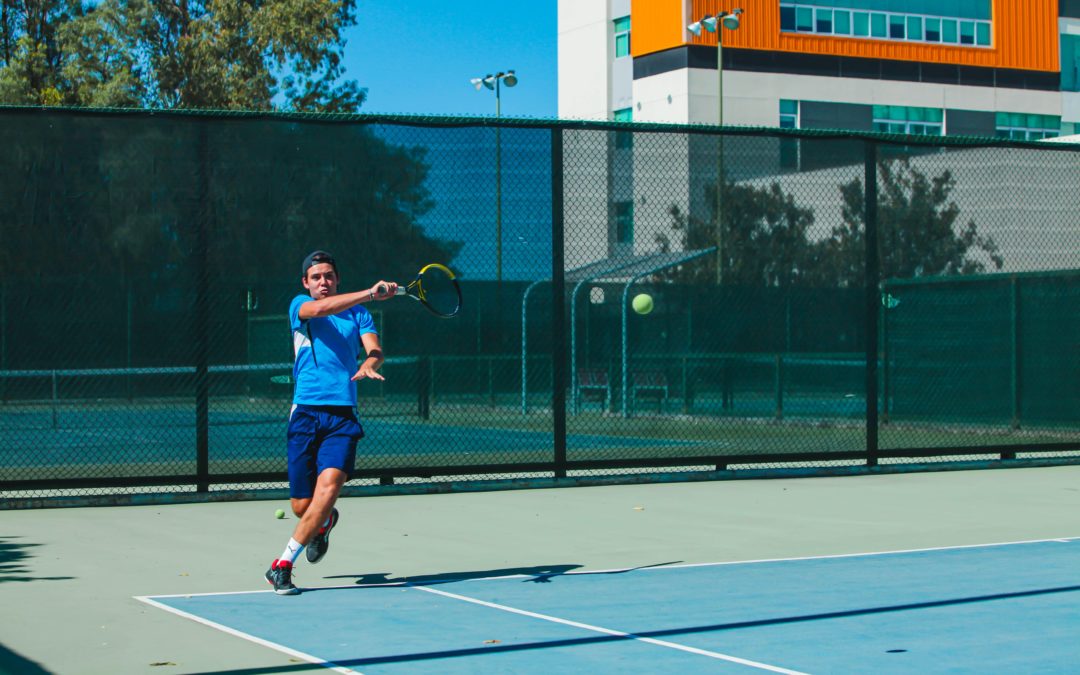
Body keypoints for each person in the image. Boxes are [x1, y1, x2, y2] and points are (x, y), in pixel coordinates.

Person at [265, 250, 397, 595]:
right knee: (301, 507)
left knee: (330, 486)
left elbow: (375, 349)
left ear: (337, 280)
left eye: (329, 276)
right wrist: (371, 291)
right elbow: (323, 309)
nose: (323, 282)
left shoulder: (360, 314)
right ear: (306, 283)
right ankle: (323, 523)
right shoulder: (300, 307)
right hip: (305, 413)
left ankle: (282, 565)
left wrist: (371, 362)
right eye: (316, 277)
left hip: (342, 415)